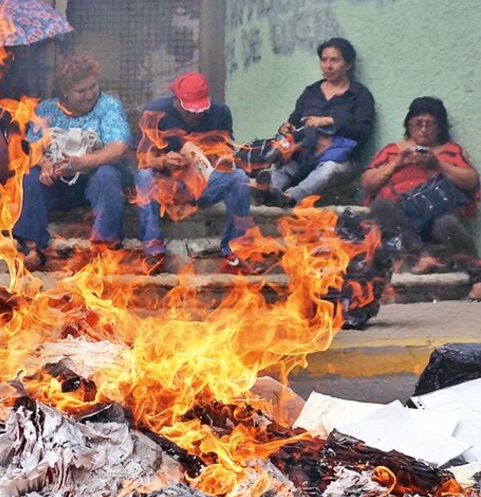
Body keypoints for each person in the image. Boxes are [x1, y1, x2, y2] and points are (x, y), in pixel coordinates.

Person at [360, 97, 481, 300]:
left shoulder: (451, 150)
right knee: (381, 206)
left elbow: (470, 181)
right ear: (409, 124)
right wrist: (396, 164)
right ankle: (421, 255)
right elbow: (367, 181)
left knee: (448, 224)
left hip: (435, 218)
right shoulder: (392, 151)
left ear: (440, 127)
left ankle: (478, 278)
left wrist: (437, 164)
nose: (423, 129)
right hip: (400, 221)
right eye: (418, 123)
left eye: (430, 124)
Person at [12, 55, 129, 262]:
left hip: (91, 182)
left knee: (108, 174)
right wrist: (44, 163)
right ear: (65, 91)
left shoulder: (109, 106)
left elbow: (119, 146)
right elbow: (30, 147)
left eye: (93, 86)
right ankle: (33, 246)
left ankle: (106, 246)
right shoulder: (47, 109)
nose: (89, 94)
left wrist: (86, 162)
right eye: (81, 91)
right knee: (29, 176)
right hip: (55, 182)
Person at [134, 72, 254, 271]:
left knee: (239, 178)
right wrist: (164, 160)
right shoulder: (155, 112)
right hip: (167, 186)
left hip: (202, 184)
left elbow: (227, 156)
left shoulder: (220, 112)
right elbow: (142, 158)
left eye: (199, 111)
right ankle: (153, 249)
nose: (195, 116)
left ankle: (236, 248)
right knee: (143, 176)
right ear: (176, 101)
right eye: (189, 111)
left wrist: (210, 160)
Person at [260, 38, 376, 206]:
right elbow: (294, 121)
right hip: (305, 154)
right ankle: (268, 192)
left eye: (334, 60)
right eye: (324, 60)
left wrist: (330, 121)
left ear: (348, 64)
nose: (328, 66)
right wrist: (287, 128)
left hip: (340, 158)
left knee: (327, 170)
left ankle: (290, 197)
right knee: (284, 168)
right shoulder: (311, 92)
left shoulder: (359, 95)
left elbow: (364, 132)